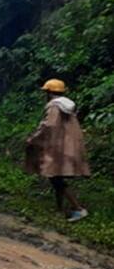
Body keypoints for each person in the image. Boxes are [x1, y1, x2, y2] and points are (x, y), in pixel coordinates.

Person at [26, 79, 90, 222]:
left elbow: (48, 126)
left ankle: (78, 209)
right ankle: (60, 208)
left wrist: (34, 138)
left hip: (57, 147)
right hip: (66, 146)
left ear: (49, 93)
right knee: (56, 177)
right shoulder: (67, 106)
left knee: (55, 178)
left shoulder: (54, 107)